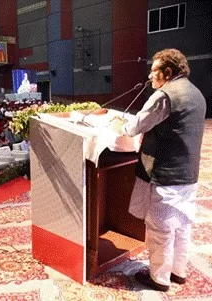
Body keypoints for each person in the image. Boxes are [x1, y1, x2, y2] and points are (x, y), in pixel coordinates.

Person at [109, 49, 206, 292]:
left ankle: (159, 278)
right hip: (189, 174)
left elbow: (135, 127)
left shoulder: (164, 96)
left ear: (168, 72)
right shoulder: (197, 93)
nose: (150, 76)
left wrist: (119, 123)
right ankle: (178, 272)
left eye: (154, 71)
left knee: (160, 229)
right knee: (182, 225)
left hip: (165, 175)